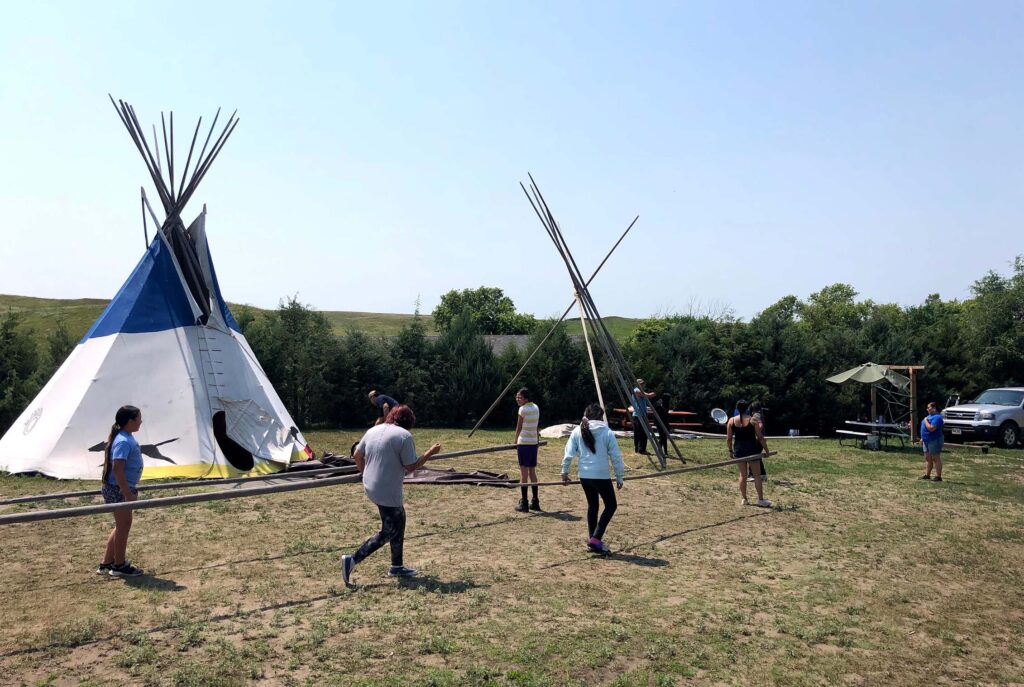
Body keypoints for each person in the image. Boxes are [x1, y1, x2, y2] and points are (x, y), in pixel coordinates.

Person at [342, 405, 440, 586]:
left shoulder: (373, 429)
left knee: (399, 519)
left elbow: (357, 454)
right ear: (408, 421)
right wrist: (430, 453)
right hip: (387, 489)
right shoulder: (404, 436)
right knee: (389, 530)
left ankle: (397, 566)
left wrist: (364, 473)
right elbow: (411, 467)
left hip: (371, 485)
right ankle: (352, 560)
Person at [561, 403, 625, 554]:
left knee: (593, 506)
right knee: (611, 505)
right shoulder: (606, 432)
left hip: (585, 475)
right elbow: (615, 456)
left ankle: (592, 540)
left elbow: (569, 453)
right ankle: (595, 539)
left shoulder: (577, 431)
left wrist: (564, 471)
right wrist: (619, 476)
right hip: (601, 475)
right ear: (600, 416)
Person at [98, 405, 145, 577]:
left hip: (120, 488)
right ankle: (119, 565)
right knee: (124, 526)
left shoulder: (125, 437)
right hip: (119, 489)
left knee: (121, 526)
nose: (141, 421)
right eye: (139, 418)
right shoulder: (123, 441)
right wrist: (127, 493)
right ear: (130, 421)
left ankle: (106, 562)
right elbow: (118, 468)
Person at [726, 399, 771, 508]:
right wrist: (767, 450)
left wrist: (731, 451)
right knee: (757, 476)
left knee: (742, 475)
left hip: (739, 450)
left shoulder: (731, 421)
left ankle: (744, 499)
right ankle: (760, 499)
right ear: (747, 409)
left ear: (737, 408)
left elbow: (729, 439)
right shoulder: (753, 420)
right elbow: (760, 437)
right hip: (752, 450)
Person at [513, 387, 541, 512]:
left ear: (526, 398)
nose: (518, 399)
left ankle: (524, 503)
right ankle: (535, 501)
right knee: (532, 472)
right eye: (517, 397)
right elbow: (536, 426)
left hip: (524, 443)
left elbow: (519, 427)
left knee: (523, 473)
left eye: (520, 397)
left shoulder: (522, 409)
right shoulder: (536, 407)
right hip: (533, 443)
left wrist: (515, 442)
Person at [919, 401, 944, 482]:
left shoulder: (937, 417)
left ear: (934, 408)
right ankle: (927, 475)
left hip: (934, 440)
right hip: (926, 440)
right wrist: (922, 438)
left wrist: (925, 420)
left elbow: (931, 428)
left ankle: (938, 476)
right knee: (928, 458)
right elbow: (925, 428)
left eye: (929, 407)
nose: (927, 409)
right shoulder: (929, 416)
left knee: (935, 458)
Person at [629, 386, 655, 454]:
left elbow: (648, 395)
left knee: (641, 433)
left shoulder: (640, 391)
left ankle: (640, 449)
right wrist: (650, 394)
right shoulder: (636, 390)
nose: (643, 385)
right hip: (638, 415)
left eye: (643, 384)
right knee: (641, 432)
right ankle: (640, 449)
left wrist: (650, 394)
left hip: (642, 415)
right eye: (642, 384)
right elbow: (648, 395)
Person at [747, 401, 768, 483]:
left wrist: (755, 431)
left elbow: (760, 425)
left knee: (751, 457)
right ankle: (762, 475)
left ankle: (752, 475)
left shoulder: (756, 415)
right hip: (760, 440)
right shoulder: (760, 414)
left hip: (757, 440)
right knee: (757, 457)